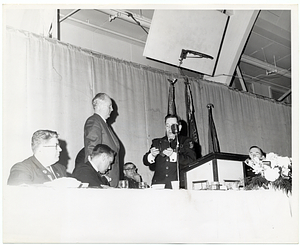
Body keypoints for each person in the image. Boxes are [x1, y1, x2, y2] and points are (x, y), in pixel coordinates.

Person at [143, 114, 196, 189]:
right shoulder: (157, 142)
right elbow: (145, 161)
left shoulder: (186, 142)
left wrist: (174, 155)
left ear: (179, 127)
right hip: (158, 186)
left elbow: (192, 160)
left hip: (178, 186)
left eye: (173, 125)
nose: (170, 129)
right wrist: (152, 155)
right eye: (167, 126)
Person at [84, 93, 120, 187]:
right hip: (104, 178)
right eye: (109, 106)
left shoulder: (103, 124)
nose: (112, 109)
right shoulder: (94, 121)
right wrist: (100, 176)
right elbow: (92, 151)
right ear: (100, 105)